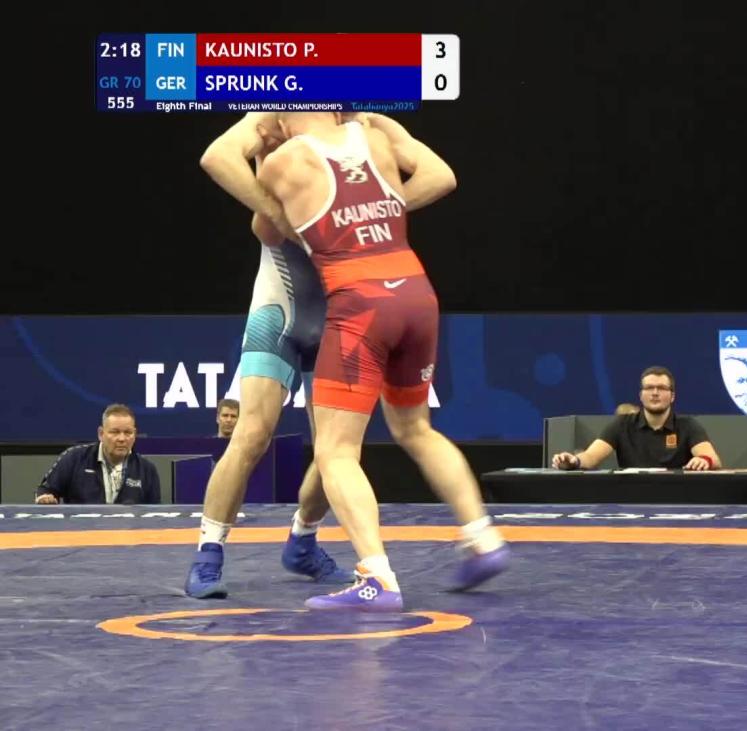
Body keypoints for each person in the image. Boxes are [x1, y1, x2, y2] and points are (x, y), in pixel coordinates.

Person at [186, 112, 459, 599]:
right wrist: (282, 212)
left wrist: (380, 208)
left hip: (346, 314)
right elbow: (234, 181)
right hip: (281, 312)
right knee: (251, 433)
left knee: (336, 447)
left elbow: (440, 175)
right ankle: (209, 552)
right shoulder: (273, 124)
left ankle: (303, 539)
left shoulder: (363, 133)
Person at [254, 112, 509, 612]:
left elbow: (268, 230)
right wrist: (380, 206)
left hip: (361, 303)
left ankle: (377, 577)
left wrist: (264, 155)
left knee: (335, 451)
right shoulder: (375, 136)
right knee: (416, 429)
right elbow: (441, 175)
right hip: (415, 291)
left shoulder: (286, 160)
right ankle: (483, 538)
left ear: (285, 113)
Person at [552, 366, 722, 471]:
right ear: (641, 395)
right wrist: (574, 461)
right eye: (649, 388)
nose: (655, 393)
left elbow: (713, 459)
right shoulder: (621, 424)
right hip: (631, 497)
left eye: (662, 388)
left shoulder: (688, 425)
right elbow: (591, 457)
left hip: (678, 498)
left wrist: (703, 460)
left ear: (672, 396)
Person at [34, 404, 161, 505]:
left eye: (128, 433)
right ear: (101, 434)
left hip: (129, 530)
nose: (122, 439)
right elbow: (45, 490)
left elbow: (155, 514)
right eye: (115, 432)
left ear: (135, 434)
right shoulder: (74, 458)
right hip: (82, 529)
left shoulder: (146, 469)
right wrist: (45, 498)